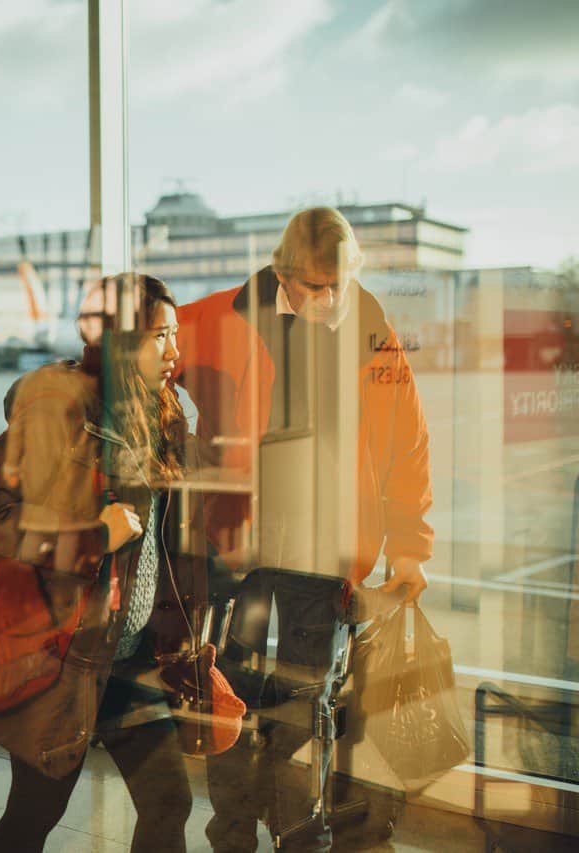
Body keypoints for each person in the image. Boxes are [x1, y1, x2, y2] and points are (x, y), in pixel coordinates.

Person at [174, 208, 433, 851]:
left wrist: (410, 550)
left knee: (304, 701)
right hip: (241, 549)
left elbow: (408, 447)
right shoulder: (220, 317)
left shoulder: (374, 332)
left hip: (326, 553)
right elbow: (141, 361)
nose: (327, 298)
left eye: (337, 284)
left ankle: (289, 818)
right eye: (314, 286)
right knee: (232, 695)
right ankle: (233, 828)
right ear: (284, 274)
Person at [0, 273, 201, 853]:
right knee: (33, 815)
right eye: (158, 336)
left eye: (174, 334)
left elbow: (168, 537)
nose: (174, 351)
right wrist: (94, 535)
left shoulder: (161, 414)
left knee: (169, 799)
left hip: (129, 652)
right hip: (64, 657)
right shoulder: (62, 412)